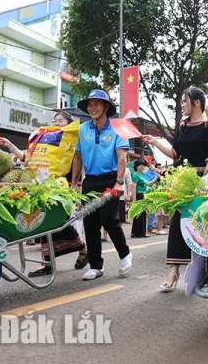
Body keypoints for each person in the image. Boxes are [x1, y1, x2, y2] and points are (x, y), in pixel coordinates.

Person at [142, 86, 208, 292]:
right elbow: (175, 153)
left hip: (200, 184)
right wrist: (155, 142)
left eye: (185, 101)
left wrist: (204, 182)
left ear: (196, 103)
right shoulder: (183, 125)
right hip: (179, 182)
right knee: (178, 223)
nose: (182, 105)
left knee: (203, 225)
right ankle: (174, 270)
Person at [0, 111, 89, 277]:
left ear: (69, 123)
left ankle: (82, 249)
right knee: (43, 224)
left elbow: (77, 161)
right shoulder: (42, 138)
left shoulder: (72, 139)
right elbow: (28, 158)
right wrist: (11, 146)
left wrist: (75, 186)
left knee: (59, 223)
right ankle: (47, 263)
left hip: (58, 187)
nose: (56, 122)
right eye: (54, 120)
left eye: (60, 120)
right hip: (38, 186)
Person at [71, 89, 132, 281]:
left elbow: (122, 157)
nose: (93, 108)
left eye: (97, 104)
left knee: (108, 219)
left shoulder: (117, 128)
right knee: (90, 223)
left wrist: (119, 182)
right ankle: (95, 266)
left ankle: (125, 254)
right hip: (90, 181)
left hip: (111, 179)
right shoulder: (82, 129)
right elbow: (78, 157)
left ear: (106, 106)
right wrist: (74, 184)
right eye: (90, 104)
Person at [130, 159, 159, 238]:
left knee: (142, 214)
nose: (143, 167)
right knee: (139, 214)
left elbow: (148, 184)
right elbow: (134, 186)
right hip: (139, 195)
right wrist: (134, 198)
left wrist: (156, 179)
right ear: (136, 167)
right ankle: (138, 233)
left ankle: (140, 232)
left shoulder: (142, 175)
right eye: (141, 165)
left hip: (144, 195)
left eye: (143, 165)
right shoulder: (135, 175)